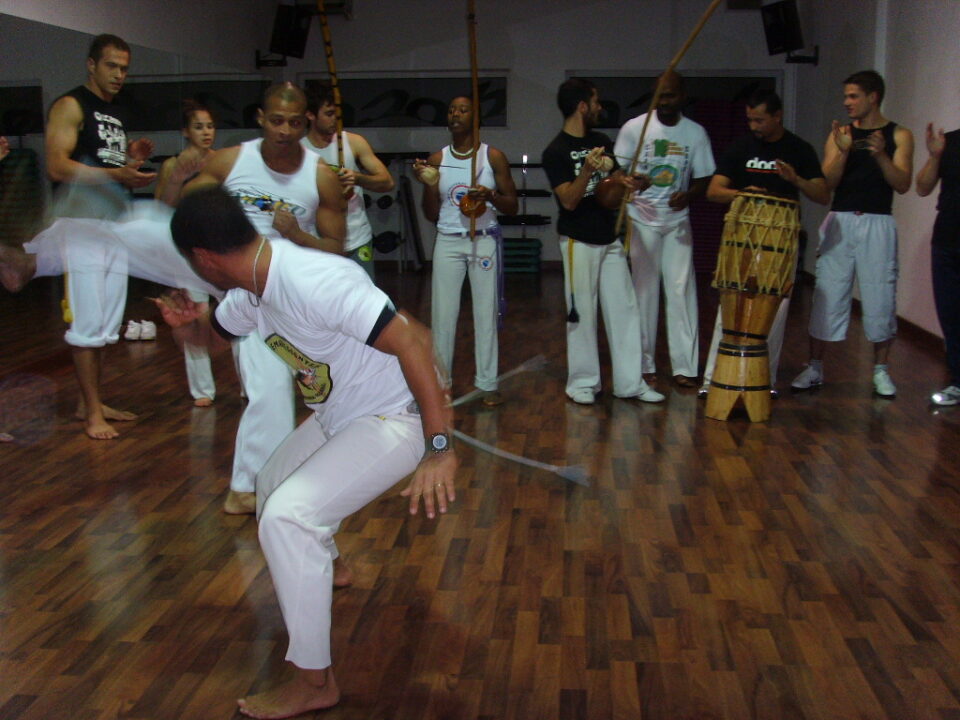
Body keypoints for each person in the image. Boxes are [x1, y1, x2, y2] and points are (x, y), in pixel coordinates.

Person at [156, 186, 458, 719]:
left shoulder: (312, 279)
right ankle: (331, 569)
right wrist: (188, 330)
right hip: (342, 415)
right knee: (270, 487)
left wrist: (440, 448)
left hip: (396, 418)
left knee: (287, 520)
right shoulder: (253, 287)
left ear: (203, 258)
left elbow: (411, 339)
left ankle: (315, 683)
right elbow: (217, 336)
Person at [181, 82, 346, 515]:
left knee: (314, 392)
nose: (285, 130)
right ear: (261, 118)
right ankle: (250, 489)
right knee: (269, 389)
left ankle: (267, 482)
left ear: (306, 120)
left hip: (296, 297)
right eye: (276, 120)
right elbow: (185, 213)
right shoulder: (230, 162)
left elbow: (337, 247)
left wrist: (297, 235)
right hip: (244, 293)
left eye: (294, 122)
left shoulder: (320, 176)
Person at [45, 33, 156, 439]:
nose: (119, 75)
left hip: (112, 224)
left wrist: (131, 162)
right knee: (87, 322)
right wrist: (117, 174)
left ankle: (87, 402)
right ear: (91, 65)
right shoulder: (70, 105)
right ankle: (92, 413)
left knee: (108, 323)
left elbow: (99, 165)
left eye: (124, 68)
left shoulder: (114, 112)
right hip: (81, 227)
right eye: (111, 66)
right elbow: (58, 166)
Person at [791, 70, 914, 397]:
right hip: (841, 220)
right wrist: (844, 151)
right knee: (827, 295)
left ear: (873, 97)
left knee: (880, 296)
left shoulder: (899, 134)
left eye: (853, 96)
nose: (846, 102)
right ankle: (815, 367)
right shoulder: (840, 134)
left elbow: (902, 183)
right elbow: (827, 184)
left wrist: (880, 154)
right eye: (846, 96)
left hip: (878, 222)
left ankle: (881, 371)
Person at [699, 90, 830, 397]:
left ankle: (762, 383)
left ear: (777, 116)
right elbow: (714, 191)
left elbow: (822, 195)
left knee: (774, 312)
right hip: (742, 240)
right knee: (730, 310)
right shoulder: (741, 146)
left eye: (759, 120)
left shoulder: (799, 149)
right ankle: (713, 380)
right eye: (750, 119)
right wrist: (744, 194)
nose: (754, 126)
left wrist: (796, 179)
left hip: (779, 243)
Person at [541, 78, 664, 406]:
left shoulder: (600, 140)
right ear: (582, 106)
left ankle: (630, 383)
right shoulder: (555, 151)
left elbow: (614, 185)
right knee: (581, 314)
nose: (599, 108)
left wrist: (633, 181)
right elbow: (568, 200)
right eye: (595, 102)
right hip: (577, 241)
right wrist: (587, 171)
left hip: (609, 239)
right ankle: (582, 383)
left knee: (625, 310)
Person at [412, 95, 518, 406]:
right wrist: (429, 183)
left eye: (463, 109)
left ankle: (487, 384)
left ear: (476, 117)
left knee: (485, 313)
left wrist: (490, 195)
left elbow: (512, 206)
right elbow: (431, 214)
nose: (455, 113)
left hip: (483, 239)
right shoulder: (436, 158)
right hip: (448, 240)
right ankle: (440, 385)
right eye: (451, 109)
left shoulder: (492, 157)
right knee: (443, 316)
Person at [614, 71, 715, 388]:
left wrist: (689, 195)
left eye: (670, 95)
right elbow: (618, 171)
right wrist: (629, 181)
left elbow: (703, 178)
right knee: (643, 293)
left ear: (683, 95)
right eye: (660, 95)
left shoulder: (695, 133)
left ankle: (684, 366)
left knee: (681, 291)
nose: (665, 101)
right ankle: (644, 363)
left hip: (677, 222)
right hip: (641, 220)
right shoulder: (635, 128)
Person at [155, 100, 220, 407]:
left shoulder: (223, 161)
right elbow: (162, 209)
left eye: (209, 126)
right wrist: (179, 178)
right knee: (195, 316)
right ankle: (202, 389)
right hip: (188, 251)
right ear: (185, 131)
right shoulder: (172, 165)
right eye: (198, 127)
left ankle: (252, 385)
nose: (206, 132)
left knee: (241, 311)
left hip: (222, 247)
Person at [303, 84, 395, 278]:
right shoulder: (298, 151)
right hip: (317, 241)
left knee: (362, 302)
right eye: (329, 114)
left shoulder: (353, 142)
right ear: (310, 115)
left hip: (356, 238)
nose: (335, 120)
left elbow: (387, 182)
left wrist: (358, 178)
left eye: (338, 114)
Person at [916, 121, 960, 406]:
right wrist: (934, 156)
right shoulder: (950, 142)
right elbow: (922, 187)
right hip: (947, 241)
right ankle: (957, 382)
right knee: (951, 316)